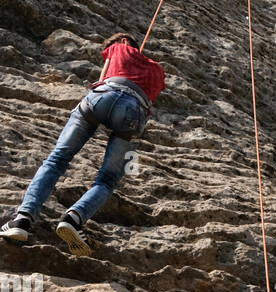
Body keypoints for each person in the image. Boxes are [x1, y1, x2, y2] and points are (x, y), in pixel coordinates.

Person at [0, 32, 165, 256]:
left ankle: (22, 220)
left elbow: (103, 76)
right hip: (134, 112)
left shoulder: (119, 47)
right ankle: (74, 218)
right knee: (108, 179)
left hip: (101, 96)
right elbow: (150, 103)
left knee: (57, 159)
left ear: (123, 42)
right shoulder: (157, 69)